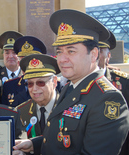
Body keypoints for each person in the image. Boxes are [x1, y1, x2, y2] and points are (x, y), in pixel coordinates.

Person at [13, 9, 129, 155]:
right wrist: (33, 144)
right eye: (60, 51)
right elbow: (64, 137)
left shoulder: (108, 99)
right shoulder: (71, 87)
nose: (61, 59)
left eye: (71, 51)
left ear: (93, 54)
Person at [98, 31, 129, 155]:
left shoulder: (124, 83)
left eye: (100, 51)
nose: (95, 55)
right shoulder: (74, 84)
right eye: (93, 50)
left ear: (108, 56)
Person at [16, 54, 60, 138]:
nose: (34, 89)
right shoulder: (21, 112)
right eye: (30, 84)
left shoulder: (67, 108)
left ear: (54, 82)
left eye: (40, 83)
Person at [1, 36, 47, 106]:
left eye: (32, 60)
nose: (29, 65)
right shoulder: (9, 86)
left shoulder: (52, 84)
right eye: (24, 60)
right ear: (19, 63)